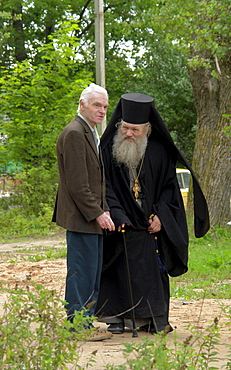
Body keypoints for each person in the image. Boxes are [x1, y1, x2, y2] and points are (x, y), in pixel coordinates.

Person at [96, 93, 210, 334]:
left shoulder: (160, 151)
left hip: (149, 227)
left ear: (147, 129)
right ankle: (117, 319)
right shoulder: (108, 149)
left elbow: (170, 189)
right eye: (125, 128)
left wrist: (160, 215)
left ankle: (151, 320)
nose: (128, 133)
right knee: (117, 272)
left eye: (135, 130)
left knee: (149, 274)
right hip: (121, 225)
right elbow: (104, 186)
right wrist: (116, 213)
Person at [52, 83, 115, 335]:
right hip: (82, 217)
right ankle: (78, 325)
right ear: (82, 104)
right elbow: (78, 184)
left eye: (105, 107)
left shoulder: (89, 131)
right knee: (81, 273)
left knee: (91, 272)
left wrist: (106, 209)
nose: (102, 111)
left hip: (90, 216)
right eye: (97, 105)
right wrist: (98, 213)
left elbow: (97, 179)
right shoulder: (75, 133)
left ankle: (84, 321)